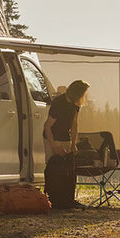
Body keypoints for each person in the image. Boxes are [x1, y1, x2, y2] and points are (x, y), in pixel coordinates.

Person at [43, 79, 89, 209]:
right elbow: (47, 126)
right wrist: (54, 146)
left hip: (65, 137)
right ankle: (53, 200)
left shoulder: (75, 104)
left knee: (68, 168)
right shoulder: (59, 103)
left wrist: (73, 143)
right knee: (55, 166)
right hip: (53, 137)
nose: (84, 97)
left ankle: (68, 200)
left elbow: (74, 124)